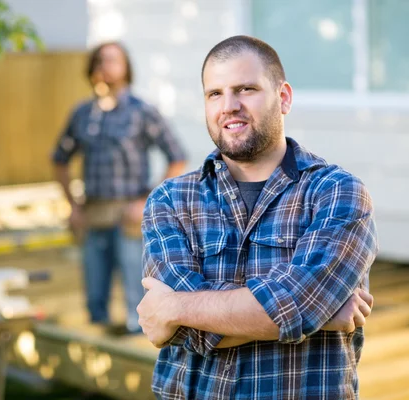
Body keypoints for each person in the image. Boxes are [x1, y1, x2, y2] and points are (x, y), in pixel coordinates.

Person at [136, 35, 378, 399]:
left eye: (245, 89)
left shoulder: (337, 193)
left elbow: (168, 318)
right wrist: (318, 315)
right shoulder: (170, 201)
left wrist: (174, 308)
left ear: (283, 98)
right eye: (214, 94)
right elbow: (178, 332)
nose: (229, 106)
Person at [52, 41, 187, 334]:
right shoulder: (83, 114)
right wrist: (72, 207)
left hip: (130, 218)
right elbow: (59, 160)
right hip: (93, 215)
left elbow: (177, 157)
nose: (106, 67)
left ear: (126, 68)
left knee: (136, 304)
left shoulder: (142, 112)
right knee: (95, 301)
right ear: (91, 69)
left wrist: (146, 203)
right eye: (100, 60)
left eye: (114, 60)